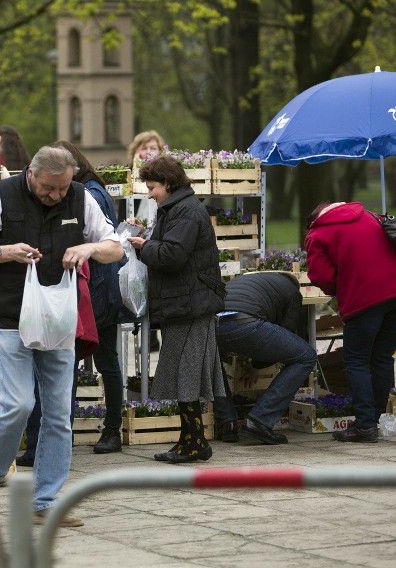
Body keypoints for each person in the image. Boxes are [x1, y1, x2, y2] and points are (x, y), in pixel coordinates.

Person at [0, 146, 123, 527]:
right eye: (49, 189)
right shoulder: (1, 195)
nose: (56, 196)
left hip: (58, 319)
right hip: (11, 317)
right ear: (32, 175)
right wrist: (6, 251)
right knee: (18, 405)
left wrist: (88, 247)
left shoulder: (81, 197)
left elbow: (115, 247)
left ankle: (45, 502)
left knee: (57, 414)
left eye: (62, 188)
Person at [16, 140, 129, 466]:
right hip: (103, 290)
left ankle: (74, 438)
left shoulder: (85, 196)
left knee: (71, 367)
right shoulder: (97, 189)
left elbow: (96, 245)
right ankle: (109, 430)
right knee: (105, 361)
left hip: (92, 293)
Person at [126, 155, 225, 464]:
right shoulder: (177, 208)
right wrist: (147, 237)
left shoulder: (185, 211)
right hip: (186, 303)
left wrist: (144, 247)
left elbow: (172, 256)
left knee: (187, 374)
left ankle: (194, 442)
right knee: (186, 374)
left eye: (152, 187)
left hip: (191, 305)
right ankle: (191, 439)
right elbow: (171, 247)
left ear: (167, 183)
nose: (149, 193)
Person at [304, 201, 396, 443]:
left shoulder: (318, 233)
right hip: (395, 294)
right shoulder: (369, 216)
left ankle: (365, 425)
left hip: (362, 301)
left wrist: (343, 287)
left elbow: (321, 276)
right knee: (383, 357)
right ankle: (373, 419)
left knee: (357, 361)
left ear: (315, 218)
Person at [212, 272, 317, 444]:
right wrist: (258, 364)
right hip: (245, 323)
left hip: (214, 326)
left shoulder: (249, 281)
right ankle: (260, 420)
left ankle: (227, 423)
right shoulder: (292, 291)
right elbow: (287, 331)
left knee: (212, 362)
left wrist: (255, 365)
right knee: (306, 356)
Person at [127, 130, 166, 352]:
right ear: (136, 151)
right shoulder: (131, 177)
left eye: (153, 148)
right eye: (145, 147)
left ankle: (156, 332)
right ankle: (147, 334)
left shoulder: (166, 178)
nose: (149, 152)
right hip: (139, 235)